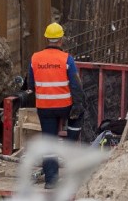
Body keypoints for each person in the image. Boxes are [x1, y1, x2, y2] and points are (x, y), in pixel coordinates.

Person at [30, 22, 86, 189]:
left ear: (46, 38)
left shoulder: (35, 58)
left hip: (44, 107)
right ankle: (69, 144)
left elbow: (31, 84)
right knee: (79, 116)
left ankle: (50, 180)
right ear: (61, 39)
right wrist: (78, 105)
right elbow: (76, 85)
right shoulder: (66, 59)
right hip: (65, 105)